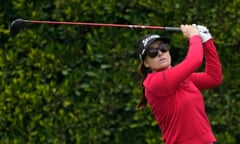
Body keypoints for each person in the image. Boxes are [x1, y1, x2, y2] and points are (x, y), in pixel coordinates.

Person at [136, 24, 222, 144]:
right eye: (153, 52)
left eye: (163, 47)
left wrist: (207, 41)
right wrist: (194, 37)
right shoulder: (154, 82)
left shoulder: (183, 78)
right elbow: (194, 60)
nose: (160, 53)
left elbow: (214, 78)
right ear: (146, 63)